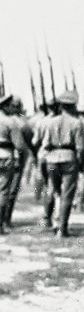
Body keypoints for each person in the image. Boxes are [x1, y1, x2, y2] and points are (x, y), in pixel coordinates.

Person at [39, 90, 84, 238]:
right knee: (67, 194)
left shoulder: (51, 122)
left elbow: (45, 144)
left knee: (56, 192)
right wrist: (81, 164)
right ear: (73, 106)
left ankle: (54, 221)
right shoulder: (77, 123)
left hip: (52, 158)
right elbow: (82, 147)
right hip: (69, 158)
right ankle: (62, 228)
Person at [0, 94, 28, 233]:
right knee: (4, 191)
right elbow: (21, 146)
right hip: (6, 156)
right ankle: (2, 223)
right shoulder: (11, 122)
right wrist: (22, 161)